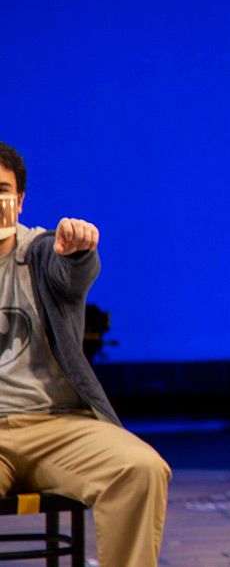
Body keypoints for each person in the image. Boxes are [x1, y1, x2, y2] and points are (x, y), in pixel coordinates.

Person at [0, 142, 171, 566]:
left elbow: (72, 273)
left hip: (56, 424)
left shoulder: (41, 252)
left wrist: (79, 251)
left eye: (1, 190)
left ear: (19, 201)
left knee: (139, 470)